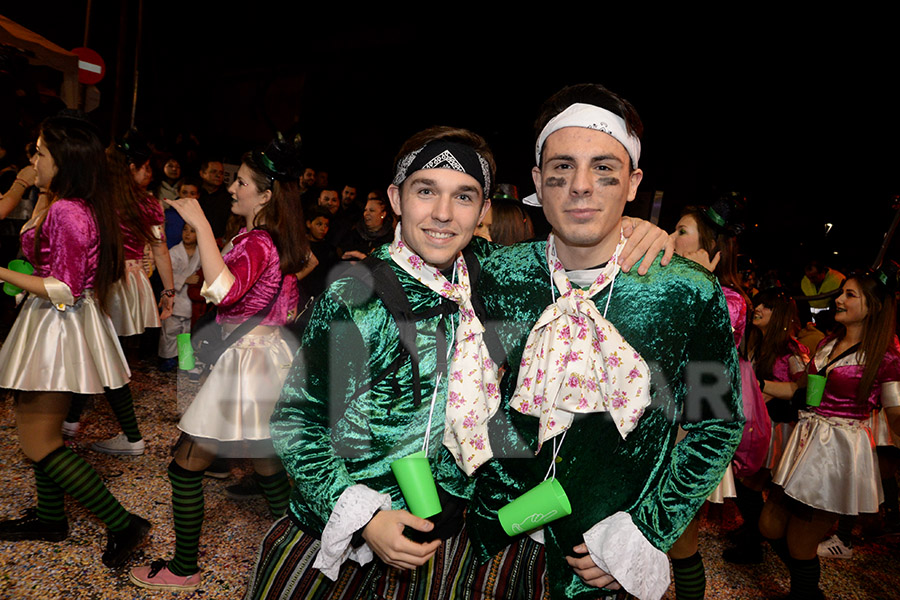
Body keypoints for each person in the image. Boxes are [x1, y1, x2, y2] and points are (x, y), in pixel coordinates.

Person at [461, 84, 743, 600]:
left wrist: (645, 532)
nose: (581, 187)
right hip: (492, 542)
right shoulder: (495, 274)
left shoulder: (687, 292)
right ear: (537, 182)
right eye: (562, 168)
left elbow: (715, 424)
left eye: (605, 170)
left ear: (633, 183)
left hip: (600, 561)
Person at [127, 134, 307, 591]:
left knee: (185, 463)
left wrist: (202, 227)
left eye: (242, 182)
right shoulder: (269, 237)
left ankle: (184, 569)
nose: (232, 188)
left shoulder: (258, 241)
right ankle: (300, 550)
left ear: (265, 195)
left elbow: (224, 291)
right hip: (268, 355)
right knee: (267, 459)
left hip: (250, 361)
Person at [0, 111, 151, 569]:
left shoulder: (69, 210)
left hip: (57, 325)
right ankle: (50, 518)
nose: (35, 160)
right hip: (56, 323)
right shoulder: (71, 202)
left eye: (42, 153)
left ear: (63, 160)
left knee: (38, 442)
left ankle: (123, 524)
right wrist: (38, 190)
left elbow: (63, 287)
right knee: (40, 432)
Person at [760, 269, 900, 600]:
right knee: (769, 525)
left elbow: (895, 412)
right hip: (805, 442)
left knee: (800, 542)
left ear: (875, 306)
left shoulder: (887, 356)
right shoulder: (827, 342)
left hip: (837, 453)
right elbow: (800, 388)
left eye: (850, 295)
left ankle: (805, 593)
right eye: (841, 292)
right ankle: (807, 587)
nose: (838, 299)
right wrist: (756, 385)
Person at [83, 130, 175, 456]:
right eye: (146, 167)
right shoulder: (146, 204)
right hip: (130, 281)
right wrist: (169, 290)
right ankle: (73, 421)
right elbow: (160, 250)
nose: (149, 174)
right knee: (103, 352)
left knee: (101, 352)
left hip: (100, 280)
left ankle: (126, 435)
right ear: (132, 166)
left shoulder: (93, 197)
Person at [723, 288, 809, 565]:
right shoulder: (753, 343)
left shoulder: (789, 349)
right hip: (755, 424)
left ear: (780, 314)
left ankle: (766, 544)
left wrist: (759, 387)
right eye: (758, 303)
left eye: (766, 306)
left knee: (751, 486)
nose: (758, 308)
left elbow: (801, 387)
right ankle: (754, 536)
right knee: (746, 485)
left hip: (775, 428)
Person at [157, 223, 202, 372]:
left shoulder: (201, 253)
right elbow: (165, 275)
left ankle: (183, 359)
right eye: (185, 230)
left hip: (190, 300)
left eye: (192, 231)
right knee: (169, 332)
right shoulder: (174, 252)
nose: (188, 234)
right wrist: (185, 279)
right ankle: (167, 358)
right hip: (175, 299)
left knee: (186, 332)